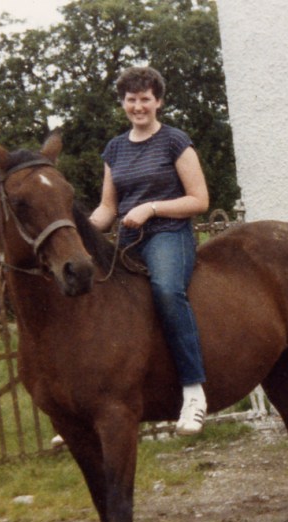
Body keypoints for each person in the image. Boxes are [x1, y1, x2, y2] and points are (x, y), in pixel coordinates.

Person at [90, 66, 209, 435]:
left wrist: (152, 208)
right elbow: (108, 208)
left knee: (166, 291)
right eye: (131, 99)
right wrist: (80, 231)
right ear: (123, 103)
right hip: (128, 240)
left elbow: (199, 200)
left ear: (158, 102)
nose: (138, 106)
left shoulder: (175, 141)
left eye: (145, 99)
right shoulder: (114, 149)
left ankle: (194, 392)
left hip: (169, 234)